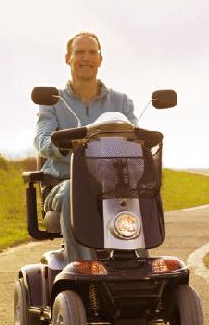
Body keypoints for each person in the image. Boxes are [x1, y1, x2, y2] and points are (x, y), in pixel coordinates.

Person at [35, 31, 138, 261]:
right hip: (64, 185)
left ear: (100, 59)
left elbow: (135, 141)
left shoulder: (121, 102)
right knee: (75, 189)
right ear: (67, 58)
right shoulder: (53, 101)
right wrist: (70, 144)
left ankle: (139, 268)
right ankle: (83, 267)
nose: (86, 58)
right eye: (79, 52)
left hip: (113, 185)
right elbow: (42, 140)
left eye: (92, 52)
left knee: (138, 193)